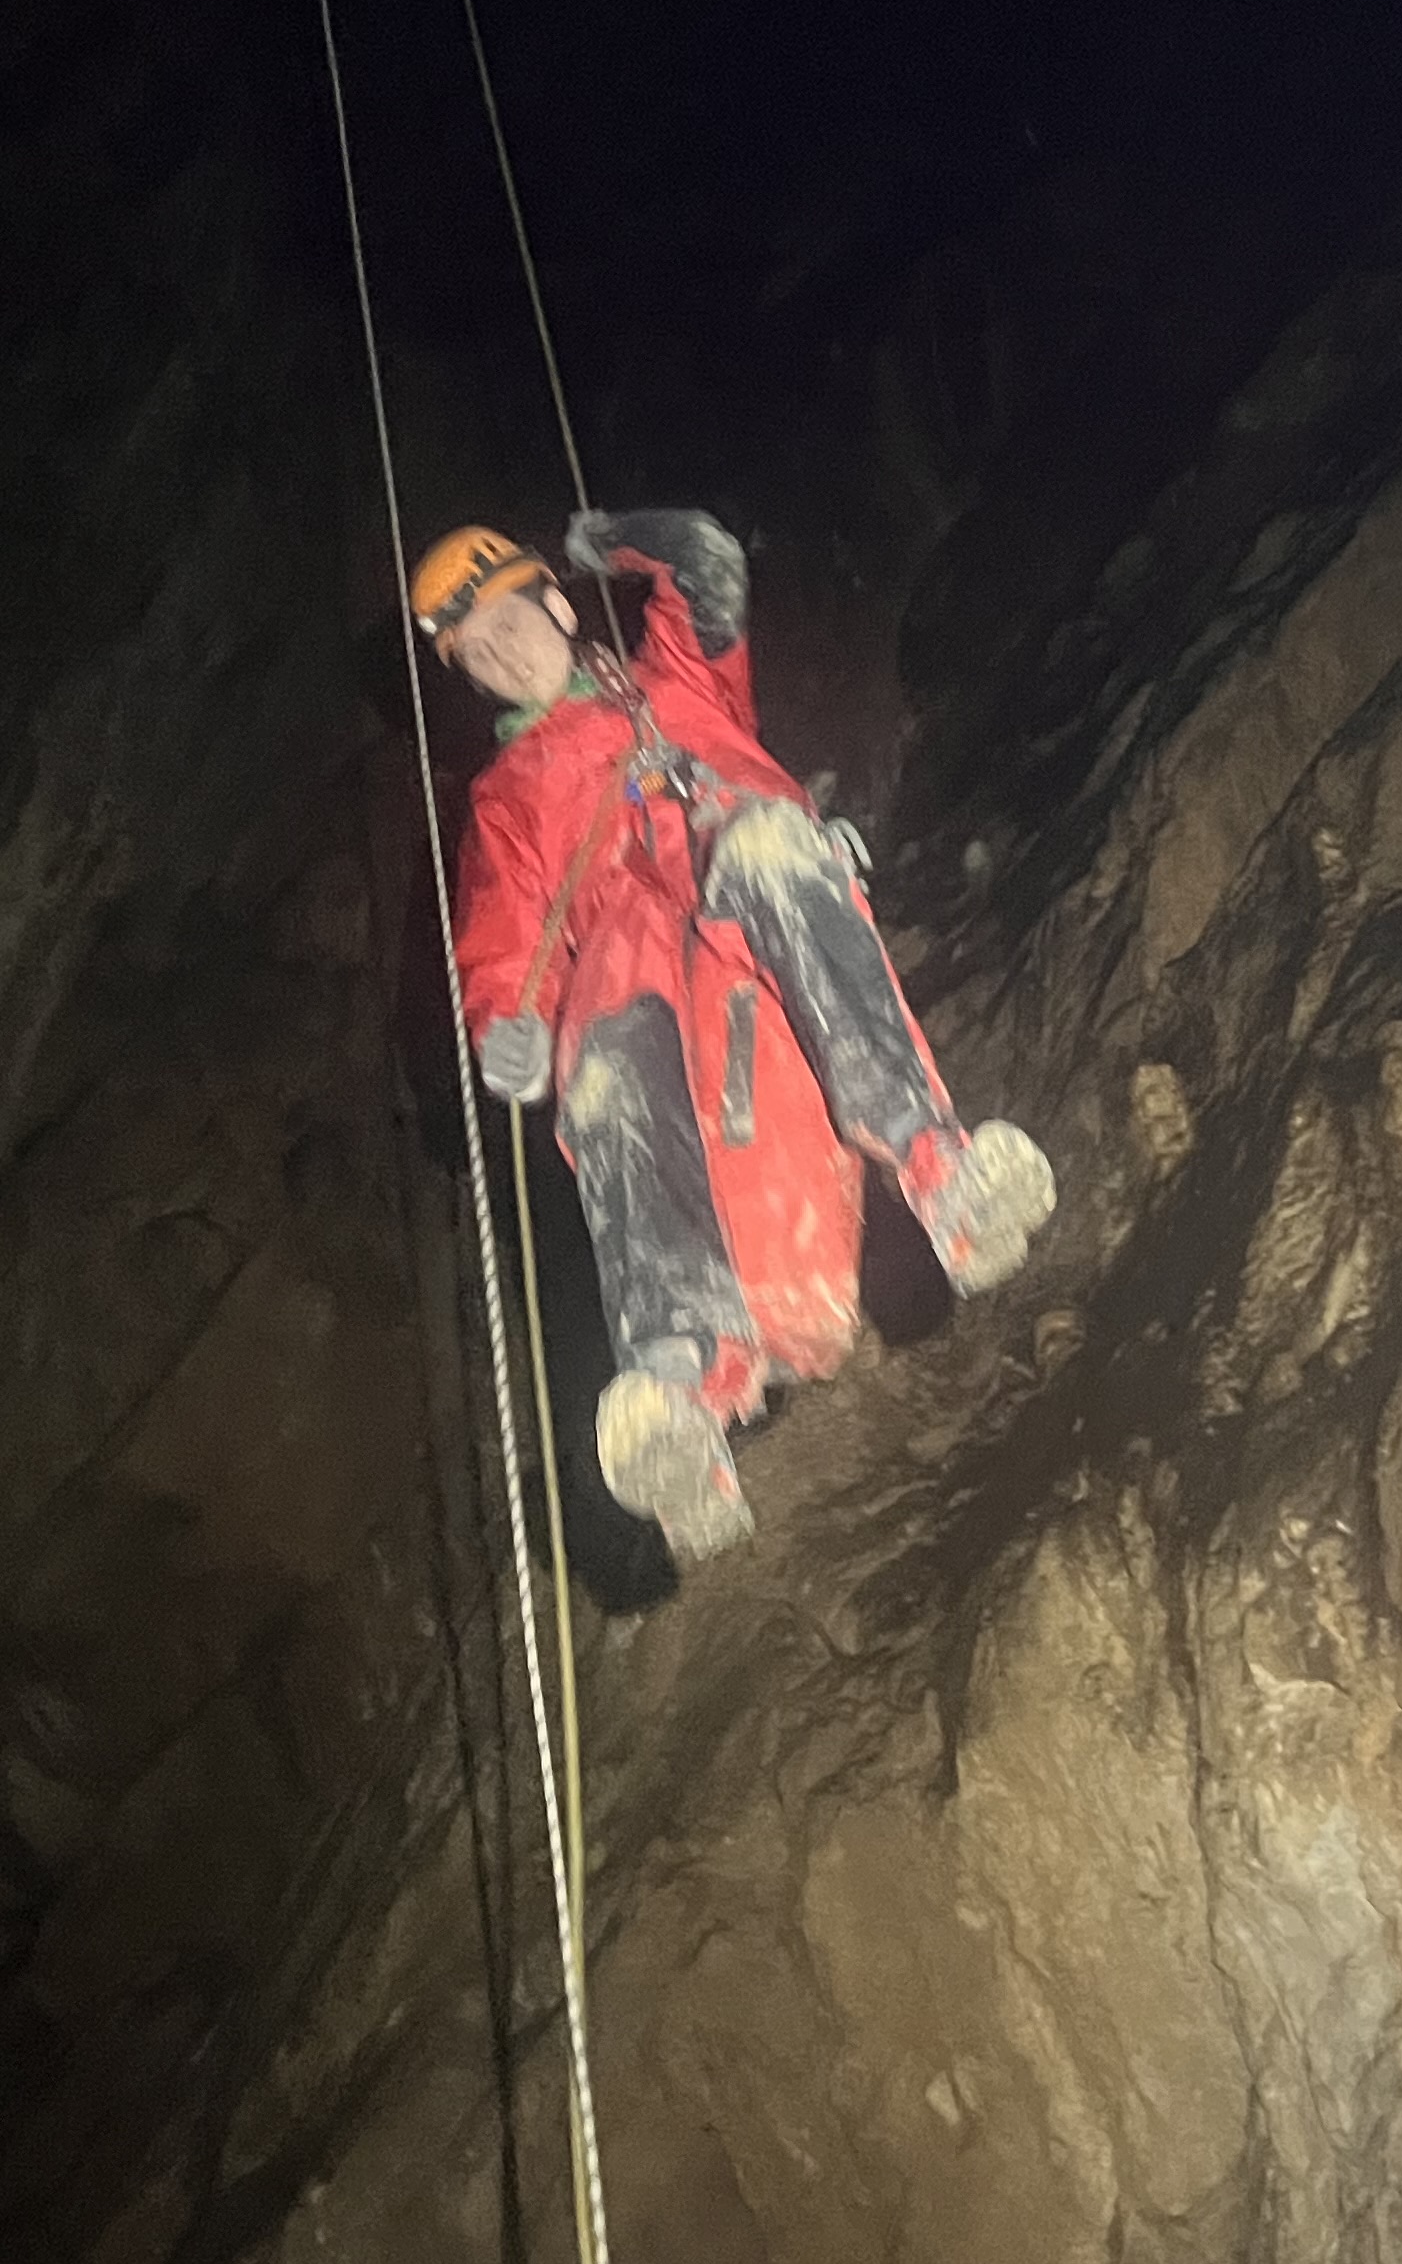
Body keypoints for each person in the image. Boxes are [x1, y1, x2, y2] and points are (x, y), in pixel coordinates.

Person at [417, 508, 1055, 1561]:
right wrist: (507, 1036)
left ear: (559, 607)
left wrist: (613, 538)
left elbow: (706, 566)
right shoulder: (504, 802)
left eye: (510, 623)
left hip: (753, 934)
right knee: (599, 1051)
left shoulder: (675, 680)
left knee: (765, 840)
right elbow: (502, 955)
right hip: (642, 986)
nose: (503, 655)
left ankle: (944, 1174)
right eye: (478, 653)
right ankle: (684, 1388)